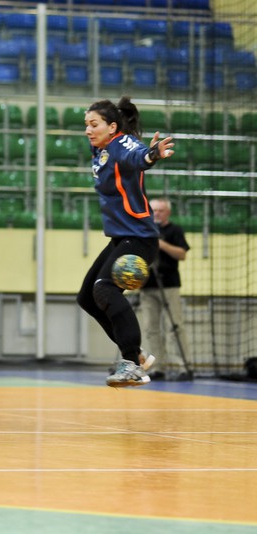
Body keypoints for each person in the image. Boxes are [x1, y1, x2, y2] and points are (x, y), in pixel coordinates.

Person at [77, 97, 175, 388]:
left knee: (105, 289)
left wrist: (152, 154)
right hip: (122, 238)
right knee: (87, 298)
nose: (88, 130)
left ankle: (132, 363)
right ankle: (138, 355)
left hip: (140, 238)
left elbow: (139, 157)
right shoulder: (100, 148)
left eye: (94, 124)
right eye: (86, 124)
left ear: (112, 127)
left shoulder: (122, 144)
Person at [139, 197, 191, 381]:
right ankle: (157, 367)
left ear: (167, 212)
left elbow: (182, 254)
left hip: (169, 284)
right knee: (151, 328)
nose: (157, 214)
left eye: (160, 210)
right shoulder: (143, 230)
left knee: (175, 326)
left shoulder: (174, 230)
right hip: (147, 285)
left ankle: (183, 366)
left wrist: (161, 244)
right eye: (154, 210)